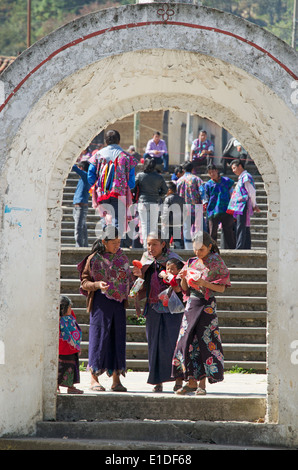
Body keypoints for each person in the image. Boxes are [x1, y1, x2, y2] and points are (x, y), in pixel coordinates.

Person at [172, 231, 231, 395]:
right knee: (187, 341)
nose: (198, 253)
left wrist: (204, 282)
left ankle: (202, 384)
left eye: (202, 249)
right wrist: (183, 277)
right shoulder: (191, 262)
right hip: (191, 304)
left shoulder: (216, 262)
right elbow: (184, 288)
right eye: (195, 249)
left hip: (207, 306)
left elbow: (222, 287)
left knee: (205, 342)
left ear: (210, 246)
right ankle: (190, 381)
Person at [77, 225, 133, 392]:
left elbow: (127, 279)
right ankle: (94, 378)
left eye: (119, 242)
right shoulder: (94, 259)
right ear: (104, 241)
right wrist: (96, 284)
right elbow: (84, 283)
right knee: (99, 338)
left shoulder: (122, 258)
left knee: (118, 338)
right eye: (113, 243)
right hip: (101, 303)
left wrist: (135, 277)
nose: (117, 246)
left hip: (118, 305)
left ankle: (116, 380)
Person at [132, 232, 185, 393]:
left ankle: (179, 379)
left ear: (163, 244)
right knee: (154, 345)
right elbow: (141, 284)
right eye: (148, 244)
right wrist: (138, 277)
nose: (150, 248)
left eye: (154, 244)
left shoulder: (174, 260)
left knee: (174, 343)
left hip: (172, 309)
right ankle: (158, 380)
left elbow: (183, 281)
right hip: (153, 307)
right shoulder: (146, 260)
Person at [87, 130, 138, 238]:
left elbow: (90, 176)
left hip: (102, 193)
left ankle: (106, 245)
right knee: (117, 221)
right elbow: (132, 182)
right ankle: (115, 247)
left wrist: (99, 185)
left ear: (105, 141)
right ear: (119, 141)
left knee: (105, 219)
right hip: (120, 193)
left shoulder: (98, 155)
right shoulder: (127, 157)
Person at [133, 158, 168, 249]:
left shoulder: (140, 175)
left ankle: (146, 246)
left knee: (144, 225)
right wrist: (158, 195)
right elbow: (165, 190)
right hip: (155, 202)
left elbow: (132, 187)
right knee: (153, 226)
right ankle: (153, 246)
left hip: (142, 202)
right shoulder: (159, 177)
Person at [227, 159, 260, 250]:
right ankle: (245, 246)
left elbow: (251, 191)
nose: (233, 171)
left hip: (243, 205)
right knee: (243, 226)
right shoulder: (242, 177)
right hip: (239, 206)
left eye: (234, 168)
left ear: (240, 166)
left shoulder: (246, 177)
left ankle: (240, 247)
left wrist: (254, 204)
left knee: (241, 226)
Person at [202, 164, 236, 249]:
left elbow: (232, 193)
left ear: (217, 171)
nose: (212, 174)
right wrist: (205, 203)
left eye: (213, 171)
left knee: (228, 230)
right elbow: (205, 197)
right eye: (210, 173)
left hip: (226, 209)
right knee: (212, 232)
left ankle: (232, 250)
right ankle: (213, 250)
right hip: (213, 210)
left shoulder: (227, 181)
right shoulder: (208, 185)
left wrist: (233, 206)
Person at [58, 295, 83, 394]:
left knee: (72, 367)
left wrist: (77, 346)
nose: (70, 309)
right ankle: (56, 387)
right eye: (69, 307)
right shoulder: (58, 319)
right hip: (62, 348)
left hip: (72, 348)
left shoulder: (70, 316)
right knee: (59, 367)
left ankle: (71, 386)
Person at [176, 161, 204, 249]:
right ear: (192, 169)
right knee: (198, 230)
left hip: (184, 208)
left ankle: (188, 249)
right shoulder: (196, 179)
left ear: (183, 170)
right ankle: (198, 248)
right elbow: (202, 192)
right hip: (196, 207)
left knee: (186, 230)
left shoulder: (179, 180)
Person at [72, 160, 91, 247]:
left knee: (78, 228)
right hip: (78, 206)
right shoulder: (83, 178)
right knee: (82, 228)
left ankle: (79, 247)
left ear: (82, 168)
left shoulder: (86, 176)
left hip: (81, 206)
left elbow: (75, 168)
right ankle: (85, 246)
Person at [161, 181, 185, 249]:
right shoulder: (181, 199)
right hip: (178, 223)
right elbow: (185, 211)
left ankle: (166, 254)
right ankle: (179, 254)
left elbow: (166, 212)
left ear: (170, 190)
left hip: (168, 223)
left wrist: (164, 221)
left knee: (166, 241)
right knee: (178, 241)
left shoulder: (167, 199)